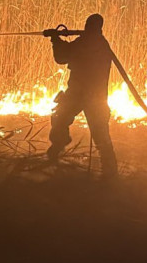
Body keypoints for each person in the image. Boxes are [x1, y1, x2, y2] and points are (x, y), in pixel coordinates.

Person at [45, 13, 118, 178]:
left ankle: (55, 152)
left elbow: (62, 57)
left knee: (61, 118)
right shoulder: (102, 44)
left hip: (80, 93)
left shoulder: (86, 42)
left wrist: (55, 40)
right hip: (95, 96)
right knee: (100, 135)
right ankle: (111, 172)